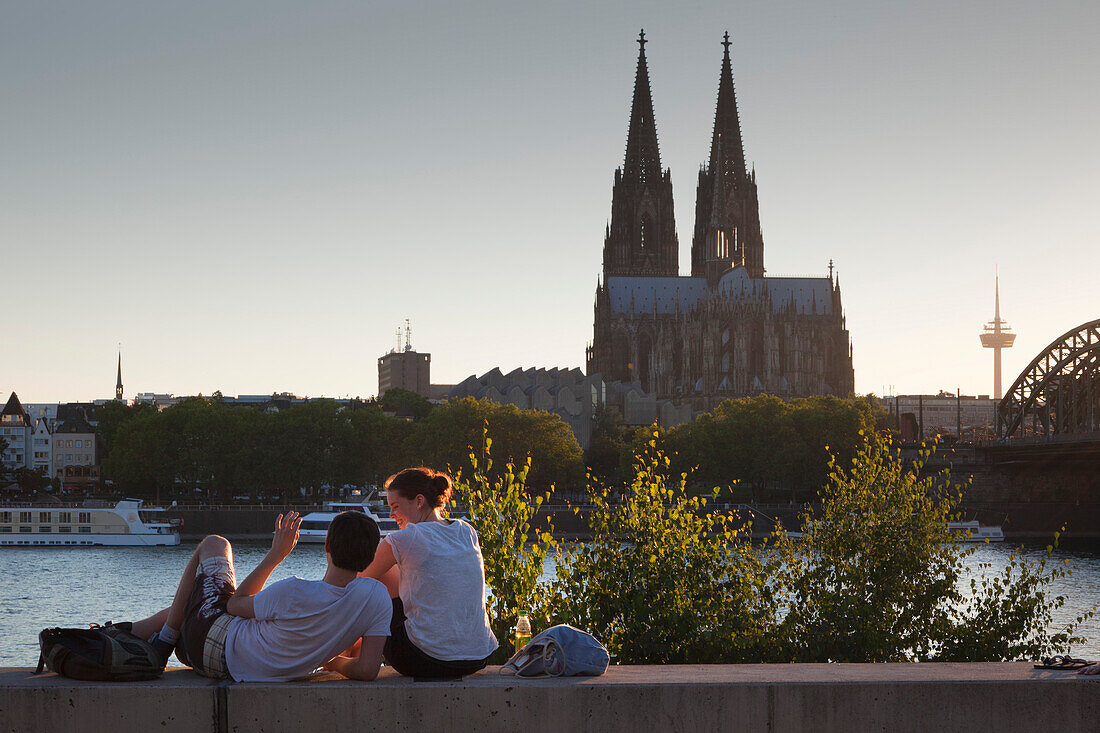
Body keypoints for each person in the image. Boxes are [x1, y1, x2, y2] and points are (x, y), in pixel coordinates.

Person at [129, 510, 391, 682]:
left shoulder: (294, 591)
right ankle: (118, 631)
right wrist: (333, 663)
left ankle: (163, 643)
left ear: (327, 546)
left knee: (214, 544)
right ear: (370, 556)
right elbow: (368, 670)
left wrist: (276, 554)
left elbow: (232, 605)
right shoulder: (376, 598)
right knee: (188, 605)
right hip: (221, 663)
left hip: (209, 643)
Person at [360, 467, 498, 678]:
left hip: (424, 658)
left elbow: (360, 579)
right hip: (477, 657)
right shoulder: (467, 531)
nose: (391, 514)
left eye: (396, 506)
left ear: (419, 501)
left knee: (377, 580)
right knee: (404, 573)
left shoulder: (404, 539)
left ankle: (354, 662)